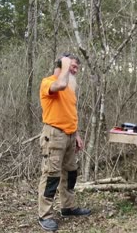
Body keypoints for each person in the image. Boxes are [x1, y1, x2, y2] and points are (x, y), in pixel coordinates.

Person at [37, 53, 91, 231]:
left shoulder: (70, 88)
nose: (75, 70)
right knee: (52, 175)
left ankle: (68, 207)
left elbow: (70, 112)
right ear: (62, 64)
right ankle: (45, 215)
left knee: (70, 173)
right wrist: (65, 64)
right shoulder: (49, 82)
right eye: (73, 65)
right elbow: (59, 84)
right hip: (53, 134)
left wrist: (76, 135)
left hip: (69, 135)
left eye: (76, 67)